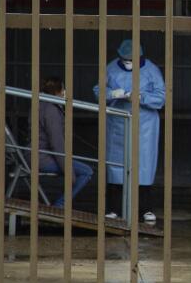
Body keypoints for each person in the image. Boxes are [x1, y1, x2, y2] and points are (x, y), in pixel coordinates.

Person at [94, 38, 166, 224]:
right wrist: (112, 94)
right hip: (117, 124)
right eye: (125, 59)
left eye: (131, 59)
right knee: (115, 166)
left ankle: (145, 208)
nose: (128, 62)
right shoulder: (111, 68)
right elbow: (98, 91)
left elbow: (160, 97)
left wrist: (141, 97)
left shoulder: (151, 70)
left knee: (143, 166)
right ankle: (114, 208)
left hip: (145, 126)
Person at [37, 76, 93, 209]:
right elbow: (56, 144)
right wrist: (68, 170)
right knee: (87, 172)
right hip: (42, 157)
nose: (65, 92)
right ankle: (60, 204)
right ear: (56, 92)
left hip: (39, 154)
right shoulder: (51, 110)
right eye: (63, 89)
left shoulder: (42, 105)